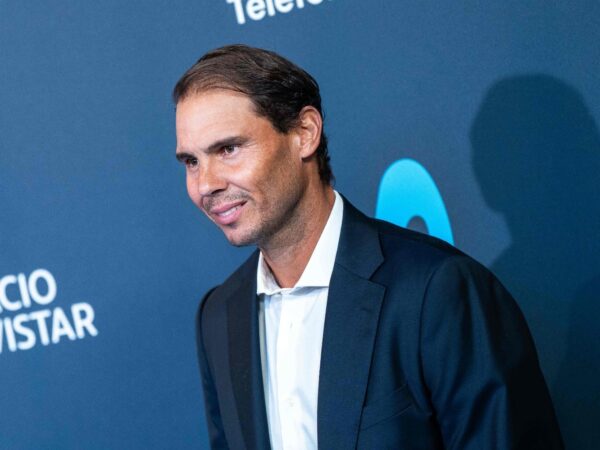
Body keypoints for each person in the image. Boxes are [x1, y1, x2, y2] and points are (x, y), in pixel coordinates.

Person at [173, 44, 563, 449]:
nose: (206, 184)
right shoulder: (219, 316)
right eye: (191, 162)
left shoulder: (436, 291)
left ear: (304, 133)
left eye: (228, 149)